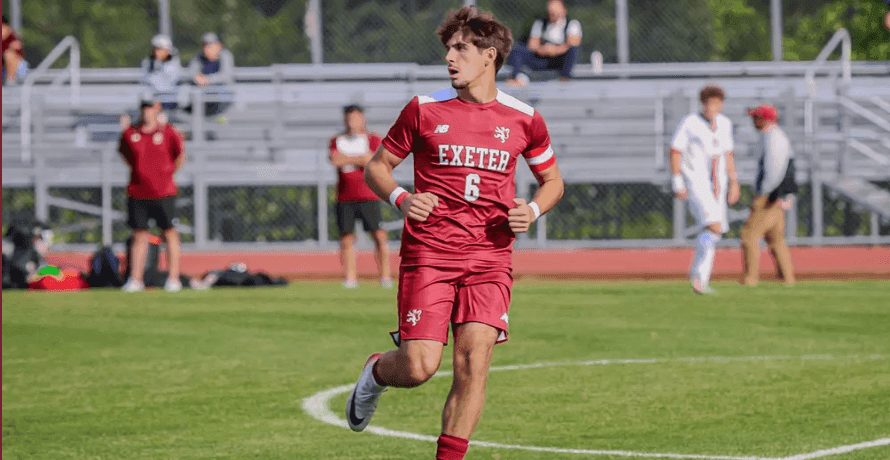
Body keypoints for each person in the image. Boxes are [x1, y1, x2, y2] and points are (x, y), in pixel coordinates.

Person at [346, 6, 564, 460]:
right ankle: (377, 373)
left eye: (460, 48)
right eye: (447, 49)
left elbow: (553, 182)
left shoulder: (525, 118)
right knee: (420, 366)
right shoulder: (423, 110)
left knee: (473, 366)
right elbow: (377, 168)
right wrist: (403, 199)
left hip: (490, 258)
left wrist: (533, 210)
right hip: (430, 254)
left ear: (490, 56)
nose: (450, 58)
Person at [669, 85, 740, 295]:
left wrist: (734, 182)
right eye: (709, 103)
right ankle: (698, 276)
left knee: (713, 233)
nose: (712, 107)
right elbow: (675, 151)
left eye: (716, 103)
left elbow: (728, 154)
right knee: (714, 227)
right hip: (697, 182)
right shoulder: (690, 123)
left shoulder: (725, 124)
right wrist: (677, 182)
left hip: (719, 183)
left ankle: (701, 280)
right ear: (702, 104)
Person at [118, 96, 186, 293]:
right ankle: (135, 279)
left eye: (150, 107)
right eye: (144, 107)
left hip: (164, 193)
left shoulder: (167, 132)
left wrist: (167, 174)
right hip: (138, 192)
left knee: (169, 233)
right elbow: (126, 155)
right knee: (139, 235)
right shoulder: (131, 133)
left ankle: (174, 279)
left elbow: (180, 155)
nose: (147, 111)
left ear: (157, 108)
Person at [329, 104, 393, 289]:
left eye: (355, 118)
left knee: (379, 237)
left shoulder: (372, 139)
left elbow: (371, 160)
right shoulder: (336, 140)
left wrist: (349, 158)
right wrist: (360, 159)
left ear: (362, 119)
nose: (351, 122)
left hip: (369, 196)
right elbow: (336, 160)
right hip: (344, 197)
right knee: (346, 239)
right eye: (348, 118)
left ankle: (385, 276)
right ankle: (350, 278)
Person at [740, 105, 797, 286]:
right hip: (776, 196)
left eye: (755, 118)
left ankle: (750, 278)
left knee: (749, 235)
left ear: (764, 119)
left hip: (770, 197)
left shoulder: (774, 139)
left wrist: (763, 193)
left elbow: (774, 171)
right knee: (775, 239)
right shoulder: (772, 137)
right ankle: (787, 279)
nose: (753, 121)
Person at [505, 0, 582, 87]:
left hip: (560, 59)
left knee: (573, 50)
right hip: (542, 57)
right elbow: (532, 45)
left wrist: (554, 50)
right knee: (518, 49)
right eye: (551, 11)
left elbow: (573, 43)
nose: (553, 14)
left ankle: (565, 77)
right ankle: (518, 77)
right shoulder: (540, 23)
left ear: (564, 11)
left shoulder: (572, 24)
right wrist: (544, 50)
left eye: (555, 11)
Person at [187, 32, 235, 117]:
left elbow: (226, 76)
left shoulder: (225, 56)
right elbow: (192, 74)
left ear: (219, 46)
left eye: (211, 45)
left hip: (223, 102)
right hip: (203, 99)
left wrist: (208, 80)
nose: (208, 48)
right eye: (205, 45)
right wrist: (197, 79)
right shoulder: (198, 58)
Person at [141, 34, 182, 110]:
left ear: (168, 50)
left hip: (169, 102)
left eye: (160, 49)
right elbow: (145, 82)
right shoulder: (148, 63)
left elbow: (167, 85)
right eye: (155, 49)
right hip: (153, 102)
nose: (157, 52)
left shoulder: (174, 64)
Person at [2, 15, 28, 84]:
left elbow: (17, 47)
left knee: (9, 54)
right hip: (5, 70)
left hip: (19, 70)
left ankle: (10, 81)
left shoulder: (13, 39)